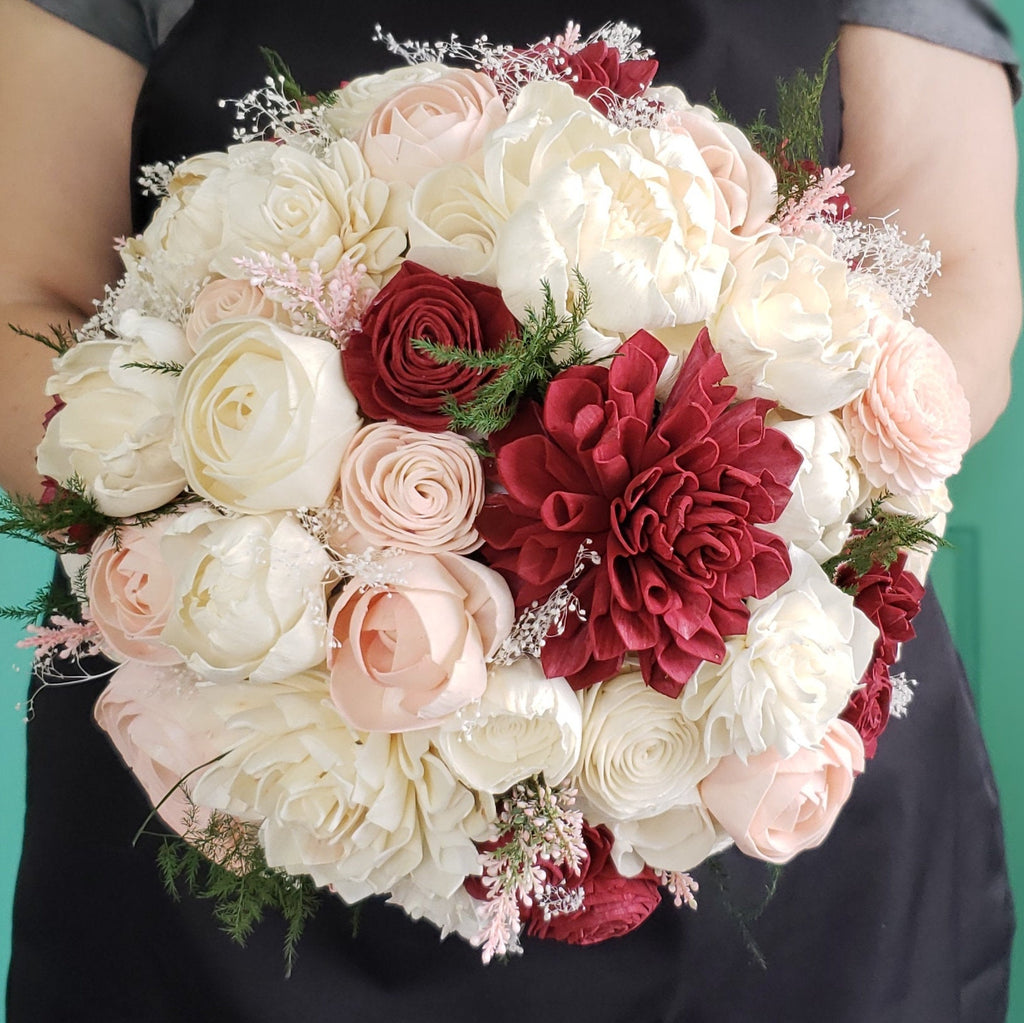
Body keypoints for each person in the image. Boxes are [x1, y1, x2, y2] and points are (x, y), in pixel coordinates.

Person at [0, 0, 1018, 1019]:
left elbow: (956, 277)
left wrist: (740, 505)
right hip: (244, 756)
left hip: (750, 731)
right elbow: (27, 290)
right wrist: (274, 541)